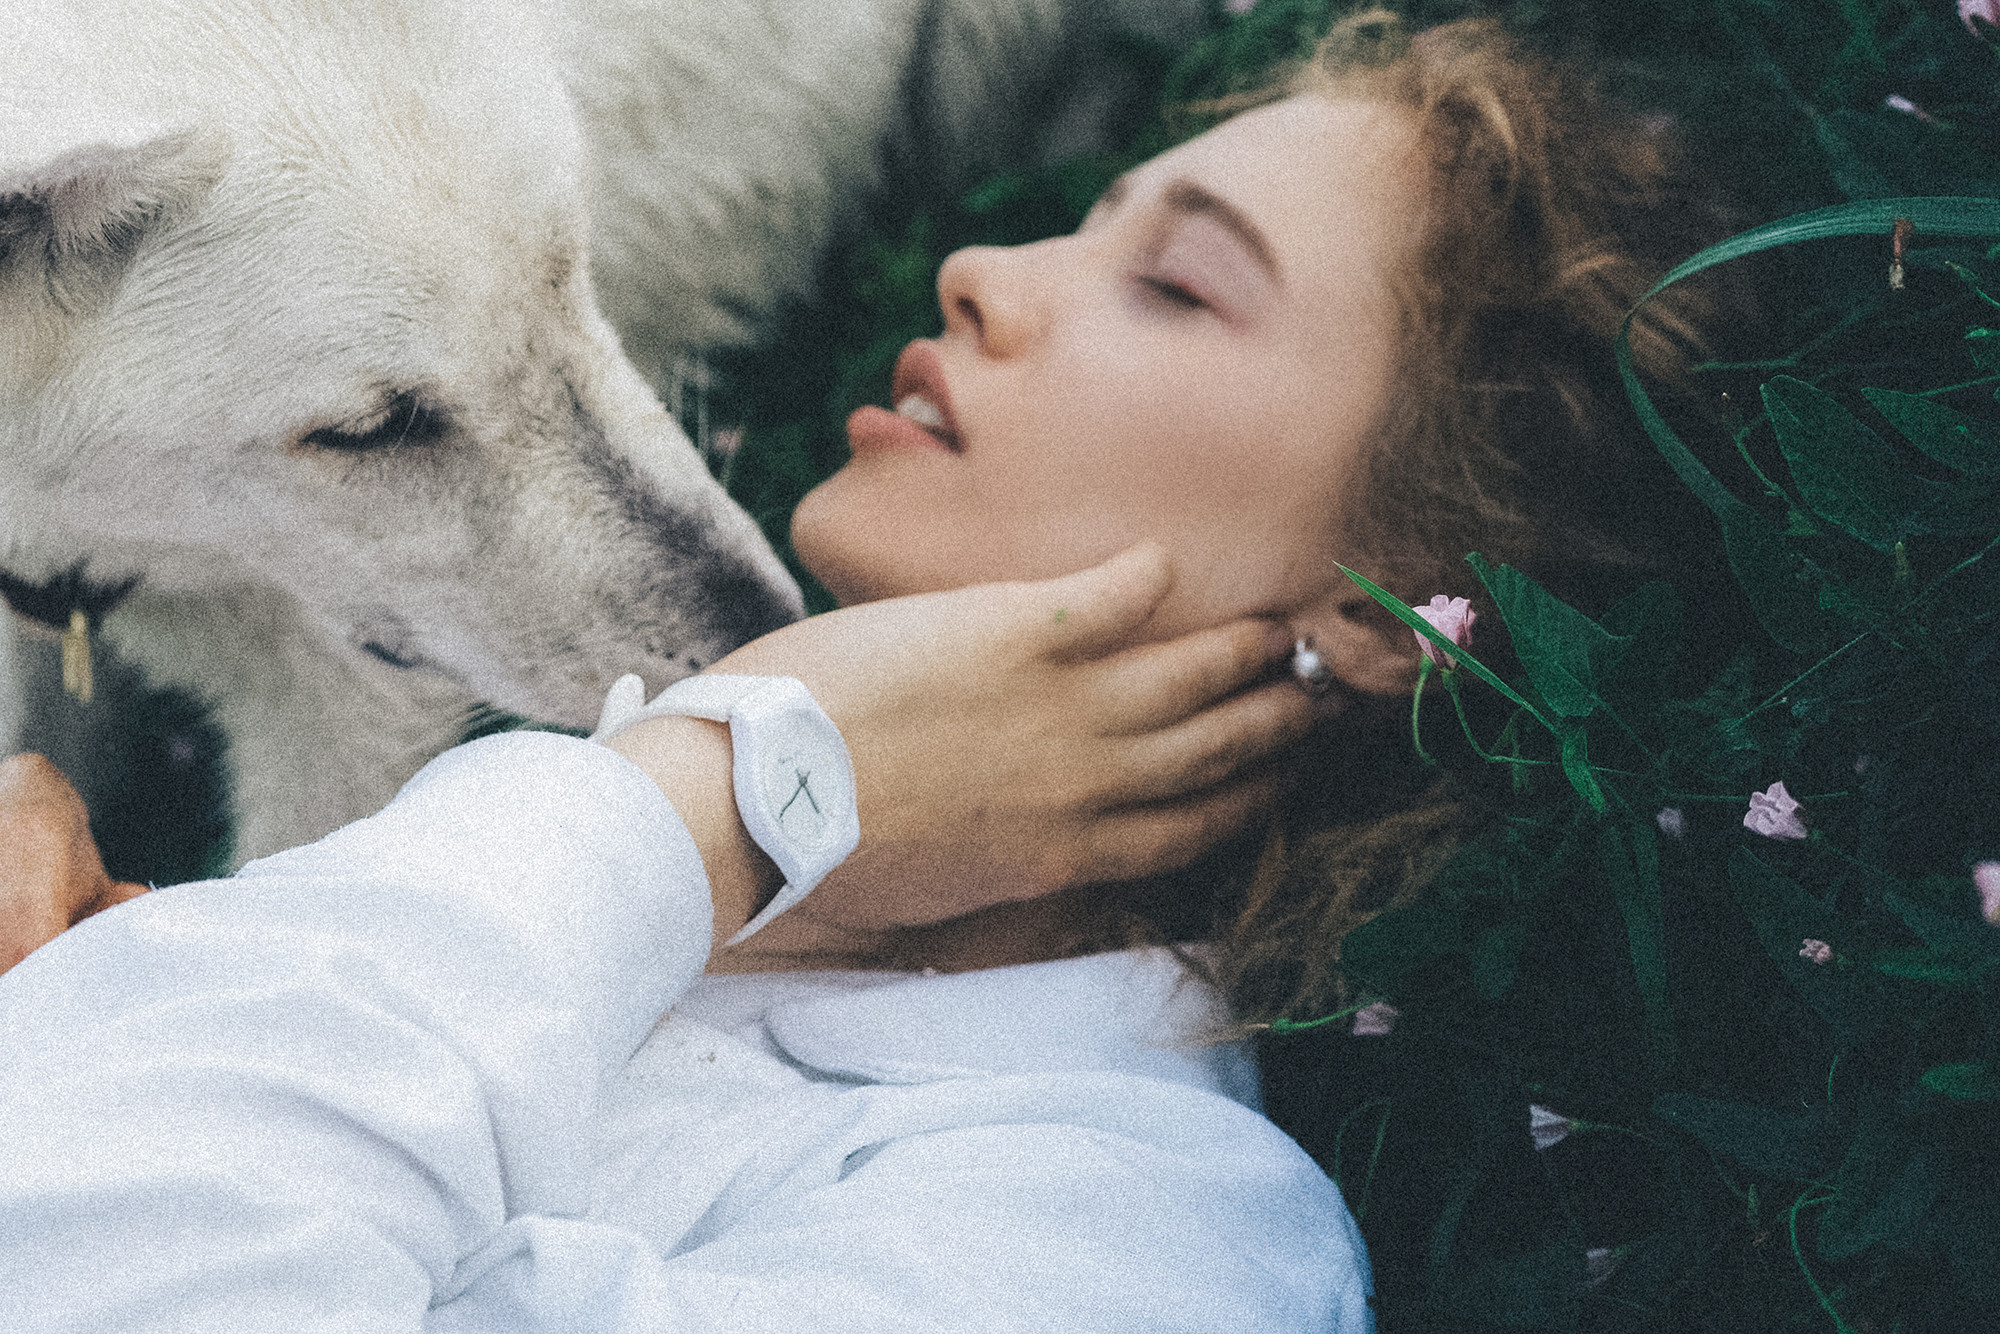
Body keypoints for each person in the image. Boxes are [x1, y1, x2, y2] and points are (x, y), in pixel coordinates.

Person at [0, 10, 1725, 1331]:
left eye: (1181, 286)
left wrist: (720, 805)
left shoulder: (1130, 1235)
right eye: (1085, 215)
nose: (980, 268)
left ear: (1389, 607)